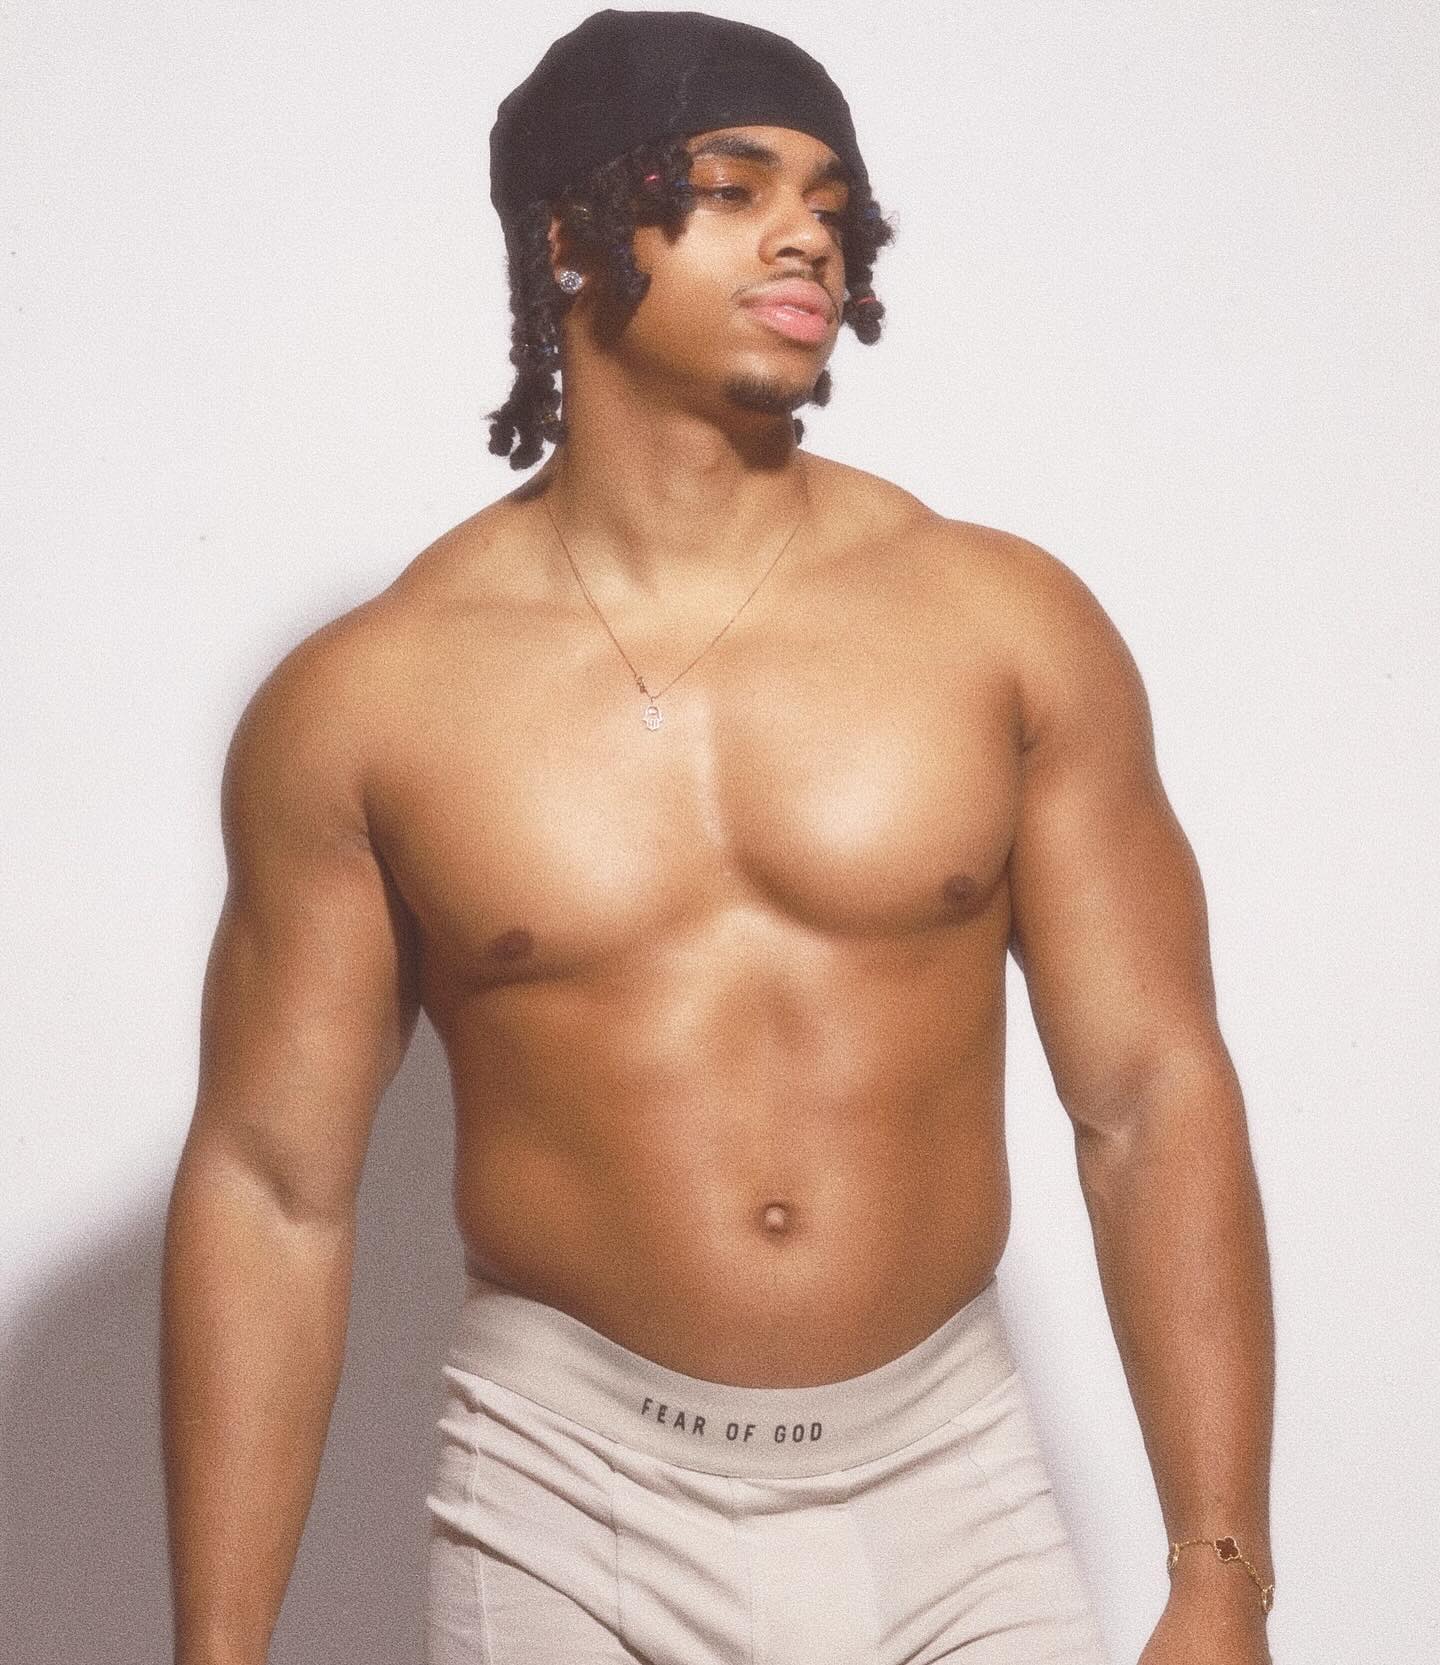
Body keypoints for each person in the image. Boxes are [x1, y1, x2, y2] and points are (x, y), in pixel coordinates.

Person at [160, 10, 1276, 1664]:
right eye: (735, 187)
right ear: (570, 237)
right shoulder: (371, 697)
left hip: (951, 1486)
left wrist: (1220, 1566)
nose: (804, 232)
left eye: (830, 199)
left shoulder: (1003, 625)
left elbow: (1151, 1092)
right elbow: (273, 1185)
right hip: (562, 1496)